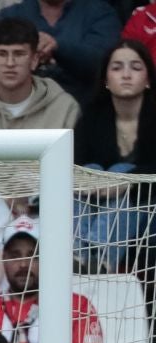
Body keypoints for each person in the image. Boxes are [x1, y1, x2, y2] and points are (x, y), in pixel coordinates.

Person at [73, 39, 156, 272]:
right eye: (117, 68)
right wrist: (98, 182)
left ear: (148, 79)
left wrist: (125, 182)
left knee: (122, 170)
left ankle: (98, 256)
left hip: (148, 202)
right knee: (92, 169)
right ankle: (80, 255)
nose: (126, 75)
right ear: (106, 80)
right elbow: (76, 167)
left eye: (136, 68)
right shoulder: (91, 117)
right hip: (96, 200)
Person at [0, 0, 121, 106]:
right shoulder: (9, 16)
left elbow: (105, 64)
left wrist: (57, 48)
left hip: (84, 115)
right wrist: (28, 56)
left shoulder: (100, 13)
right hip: (20, 113)